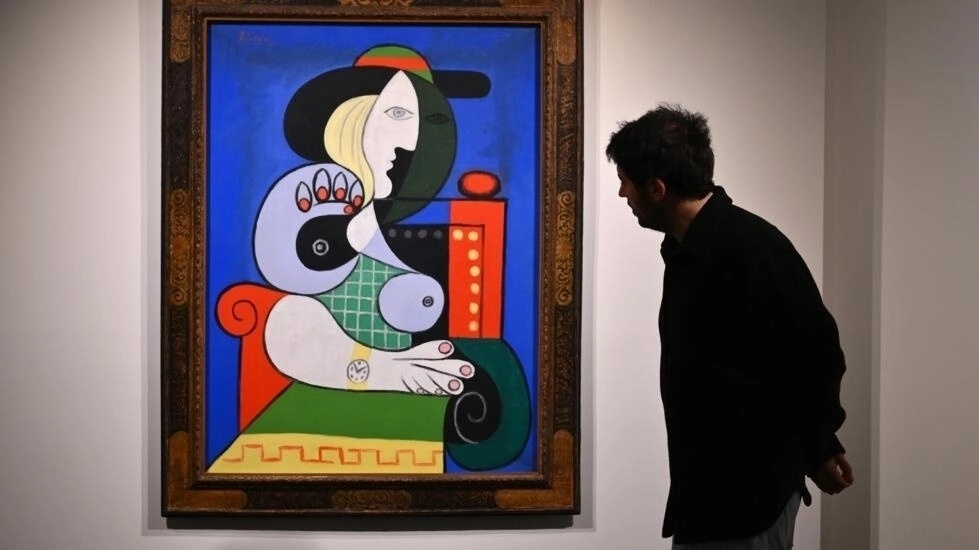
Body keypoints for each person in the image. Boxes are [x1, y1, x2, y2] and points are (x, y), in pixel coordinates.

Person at [605, 104, 854, 549]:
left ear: (657, 188)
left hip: (748, 504)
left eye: (626, 180)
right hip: (707, 499)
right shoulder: (685, 252)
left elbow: (817, 356)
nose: (622, 192)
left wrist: (818, 444)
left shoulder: (755, 250)